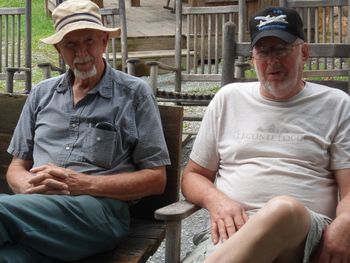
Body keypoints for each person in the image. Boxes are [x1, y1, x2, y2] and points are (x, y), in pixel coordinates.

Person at [3, 0, 170, 262]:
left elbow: (156, 179)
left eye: (89, 41)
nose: (82, 52)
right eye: (71, 44)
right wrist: (27, 187)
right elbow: (16, 166)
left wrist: (83, 184)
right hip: (36, 214)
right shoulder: (41, 94)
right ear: (59, 49)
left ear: (104, 42)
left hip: (98, 214)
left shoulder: (133, 93)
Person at [182, 6, 350, 263]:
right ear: (252, 58)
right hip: (233, 237)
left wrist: (346, 222)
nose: (272, 60)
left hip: (305, 239)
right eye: (263, 51)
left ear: (303, 52)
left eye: (281, 49)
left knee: (284, 210)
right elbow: (192, 175)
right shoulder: (228, 99)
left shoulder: (336, 105)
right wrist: (216, 200)